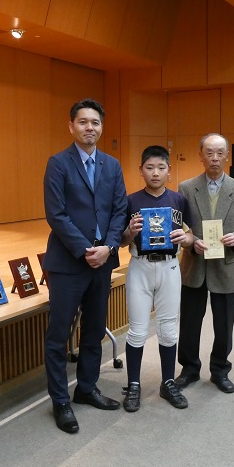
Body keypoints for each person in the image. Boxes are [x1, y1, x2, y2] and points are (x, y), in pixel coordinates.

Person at [42, 98, 127, 434]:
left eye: (95, 122)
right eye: (83, 122)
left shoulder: (112, 165)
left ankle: (87, 388)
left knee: (94, 330)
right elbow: (56, 214)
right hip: (68, 263)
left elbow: (119, 211)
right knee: (59, 335)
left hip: (103, 262)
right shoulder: (58, 163)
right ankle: (60, 400)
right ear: (71, 126)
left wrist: (108, 247)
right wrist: (85, 249)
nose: (89, 127)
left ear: (101, 127)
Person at [174, 133, 234, 394]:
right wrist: (191, 241)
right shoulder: (186, 188)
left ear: (227, 156)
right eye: (209, 152)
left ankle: (220, 370)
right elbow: (181, 227)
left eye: (220, 153)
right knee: (189, 323)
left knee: (224, 325)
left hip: (226, 265)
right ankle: (189, 369)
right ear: (200, 155)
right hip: (195, 266)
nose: (214, 158)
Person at [119, 145, 194, 412]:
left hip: (169, 267)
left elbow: (191, 236)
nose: (155, 173)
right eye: (149, 167)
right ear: (140, 170)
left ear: (169, 171)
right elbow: (121, 241)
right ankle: (134, 384)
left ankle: (168, 382)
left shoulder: (179, 200)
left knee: (168, 328)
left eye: (161, 168)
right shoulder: (130, 201)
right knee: (138, 330)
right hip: (139, 266)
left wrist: (186, 238)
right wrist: (130, 231)